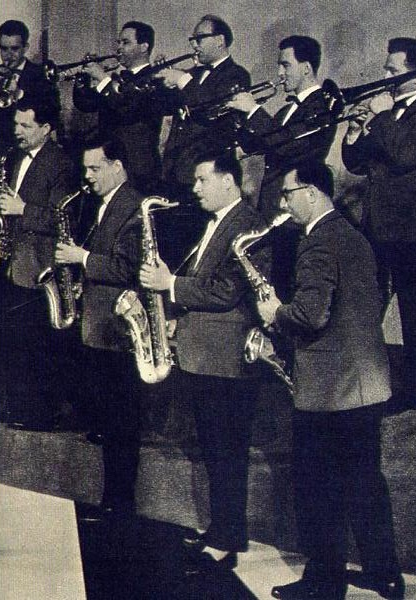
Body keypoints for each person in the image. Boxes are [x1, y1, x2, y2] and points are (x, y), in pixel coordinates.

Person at [259, 163, 404, 600]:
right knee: (365, 483)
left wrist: (274, 312)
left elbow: (310, 315)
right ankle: (385, 575)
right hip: (367, 384)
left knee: (319, 490)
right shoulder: (354, 236)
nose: (283, 203)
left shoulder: (318, 242)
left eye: (287, 194)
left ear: (312, 192)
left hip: (329, 391)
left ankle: (323, 584)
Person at [138, 152, 268, 572]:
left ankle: (226, 540)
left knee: (226, 452)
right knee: (215, 451)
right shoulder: (217, 222)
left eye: (201, 180)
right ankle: (221, 531)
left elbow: (226, 291)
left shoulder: (248, 225)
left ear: (228, 181)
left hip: (225, 360)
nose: (194, 189)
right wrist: (179, 318)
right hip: (206, 355)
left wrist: (170, 284)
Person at [341, 37, 416, 415]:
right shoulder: (389, 115)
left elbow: (405, 156)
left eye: (393, 71)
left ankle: (412, 391)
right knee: (366, 304)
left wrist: (379, 118)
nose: (385, 76)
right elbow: (356, 164)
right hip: (378, 224)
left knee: (415, 311)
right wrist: (354, 131)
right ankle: (365, 378)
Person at [54, 137, 142, 520]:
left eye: (95, 168)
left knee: (122, 424)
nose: (88, 176)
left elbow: (126, 268)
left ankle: (119, 504)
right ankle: (113, 500)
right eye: (85, 169)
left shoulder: (133, 206)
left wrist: (82, 257)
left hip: (117, 329)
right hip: (100, 324)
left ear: (117, 166)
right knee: (110, 421)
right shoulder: (105, 203)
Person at [0, 97, 77, 430]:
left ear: (46, 128)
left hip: (41, 264)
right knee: (15, 339)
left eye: (26, 125)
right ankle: (18, 405)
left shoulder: (61, 163)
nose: (18, 130)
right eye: (16, 124)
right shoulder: (14, 158)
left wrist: (21, 209)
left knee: (36, 343)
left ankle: (39, 412)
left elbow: (64, 217)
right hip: (16, 259)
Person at [226, 35, 337, 218]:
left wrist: (253, 109)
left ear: (306, 68)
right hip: (272, 204)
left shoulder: (321, 106)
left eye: (286, 65)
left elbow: (288, 145)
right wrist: (238, 117)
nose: (279, 73)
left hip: (296, 207)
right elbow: (255, 146)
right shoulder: (287, 110)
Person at [155, 15, 250, 205]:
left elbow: (210, 106)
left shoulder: (236, 74)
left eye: (199, 39)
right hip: (175, 172)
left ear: (220, 40)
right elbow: (166, 108)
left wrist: (181, 80)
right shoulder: (193, 74)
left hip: (207, 175)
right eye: (192, 40)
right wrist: (162, 82)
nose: (194, 45)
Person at [72, 20, 176, 194]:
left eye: (125, 42)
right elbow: (85, 104)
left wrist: (103, 79)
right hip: (108, 161)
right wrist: (83, 77)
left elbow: (128, 108)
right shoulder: (116, 80)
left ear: (144, 47)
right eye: (118, 42)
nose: (119, 48)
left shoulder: (156, 79)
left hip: (136, 165)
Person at [0, 20, 57, 179]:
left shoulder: (40, 74)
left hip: (24, 144)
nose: (8, 55)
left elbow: (52, 112)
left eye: (15, 49)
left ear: (25, 48)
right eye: (4, 49)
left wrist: (19, 93)